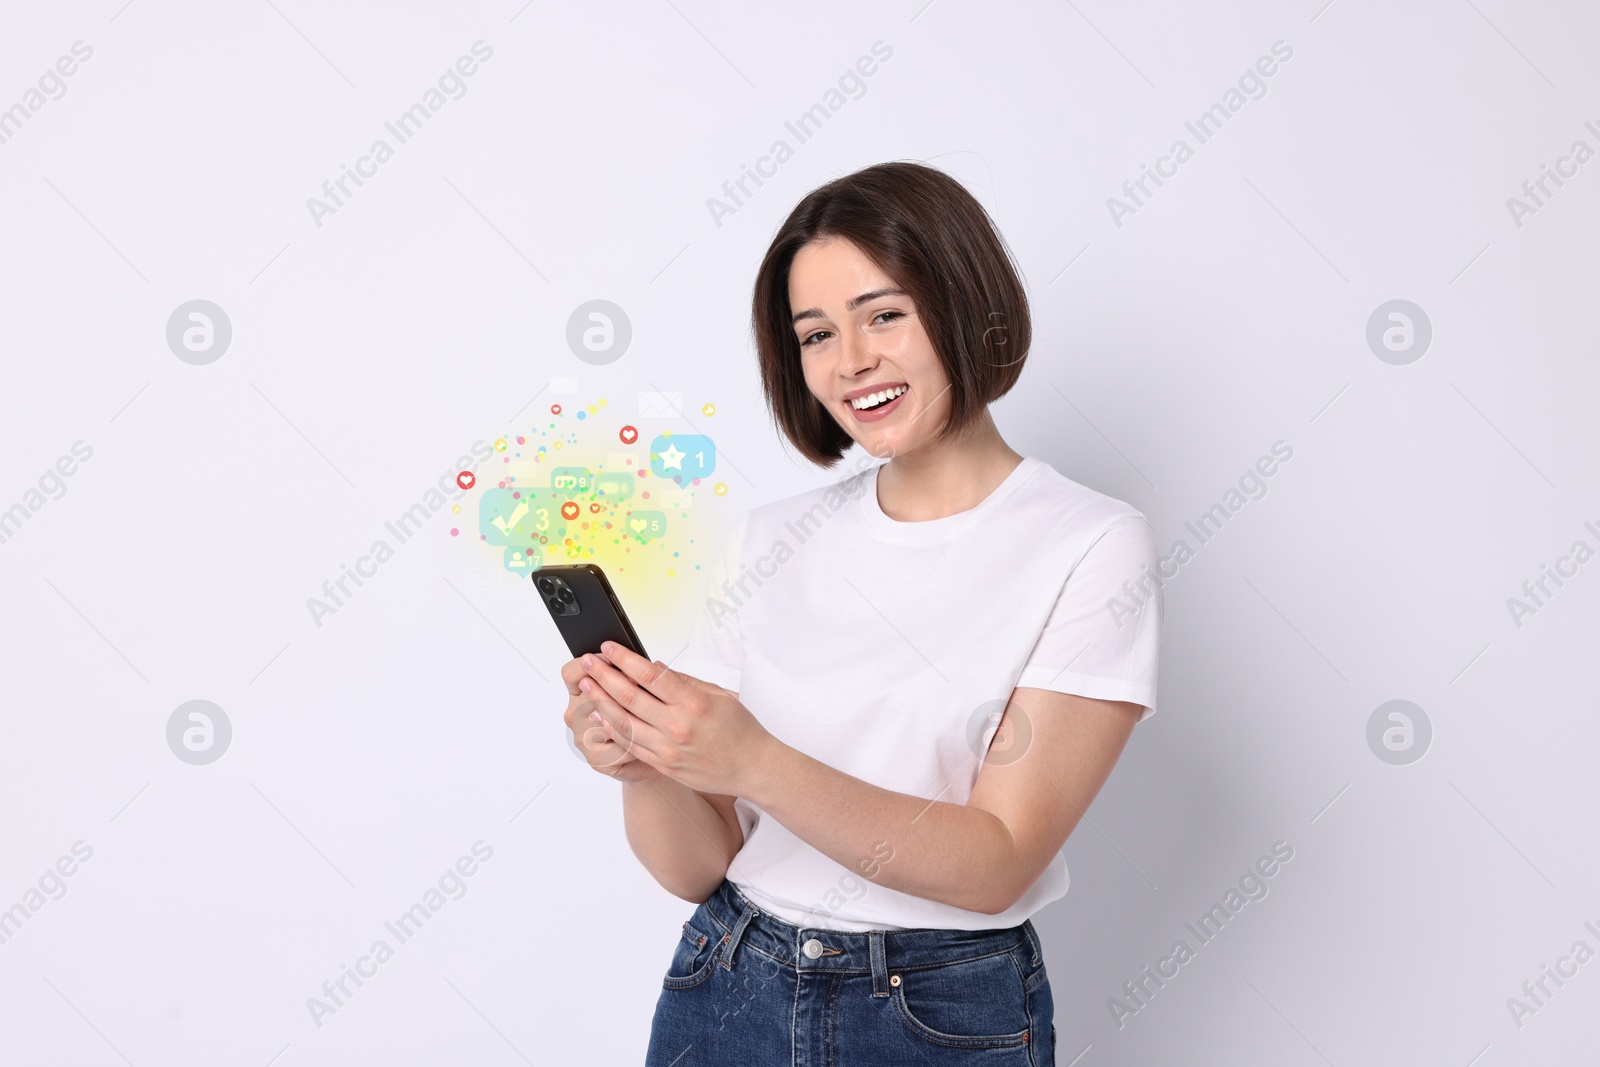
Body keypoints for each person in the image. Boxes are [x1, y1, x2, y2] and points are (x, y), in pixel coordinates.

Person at [561, 160, 1163, 1065]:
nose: (850, 363)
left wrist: (752, 759)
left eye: (885, 315)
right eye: (815, 335)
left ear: (966, 304)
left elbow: (998, 860)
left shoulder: (1088, 544)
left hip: (938, 1012)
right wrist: (647, 762)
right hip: (728, 981)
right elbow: (698, 867)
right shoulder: (770, 538)